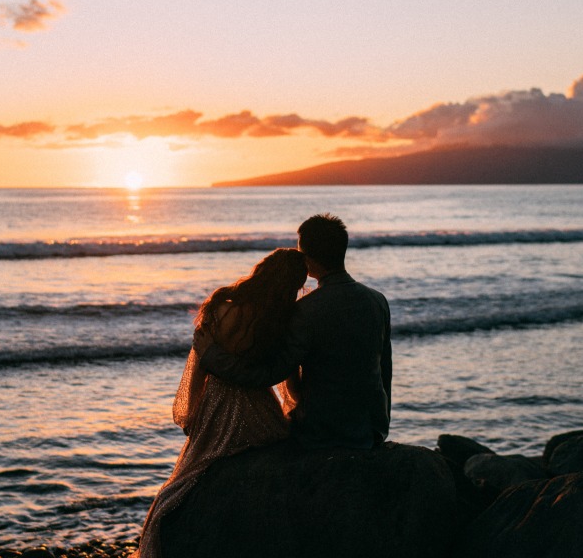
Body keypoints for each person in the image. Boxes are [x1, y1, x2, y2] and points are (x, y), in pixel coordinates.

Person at [135, 248, 307, 558]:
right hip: (257, 405)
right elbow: (286, 373)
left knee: (192, 469)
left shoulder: (221, 307)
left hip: (216, 401)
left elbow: (199, 366)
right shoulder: (279, 320)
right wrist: (296, 405)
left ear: (261, 271)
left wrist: (192, 413)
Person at [195, 213, 392, 449]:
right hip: (369, 430)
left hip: (322, 432)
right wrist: (379, 426)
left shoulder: (305, 311)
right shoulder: (377, 301)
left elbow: (269, 374)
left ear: (308, 261)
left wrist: (211, 355)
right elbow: (384, 370)